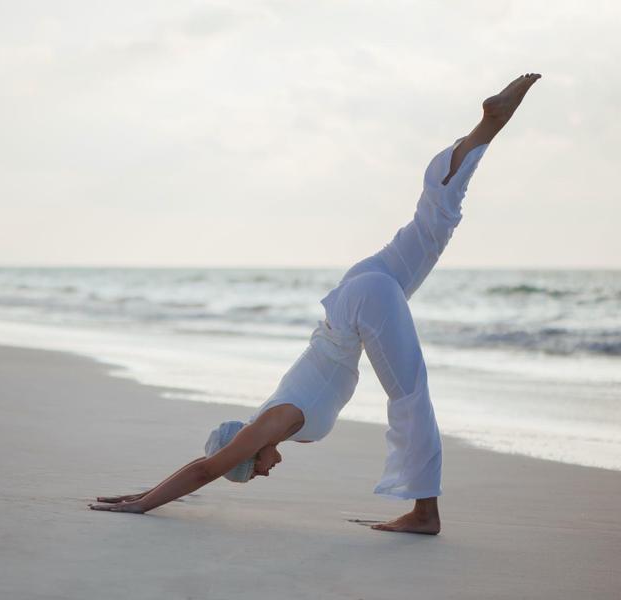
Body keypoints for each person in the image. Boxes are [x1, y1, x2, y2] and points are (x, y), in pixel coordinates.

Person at [90, 73, 542, 535]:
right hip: (354, 297)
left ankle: (425, 513)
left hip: (360, 306)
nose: (264, 471)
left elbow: (205, 470)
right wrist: (145, 492)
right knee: (431, 228)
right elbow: (209, 466)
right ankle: (487, 126)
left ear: (247, 450)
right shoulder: (274, 417)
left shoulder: (273, 421)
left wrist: (143, 503)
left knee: (410, 394)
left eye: (252, 469)